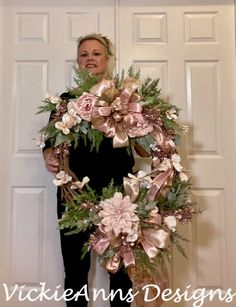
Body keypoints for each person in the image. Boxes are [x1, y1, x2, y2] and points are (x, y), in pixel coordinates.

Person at [43, 33, 134, 307]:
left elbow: (145, 139)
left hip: (117, 196)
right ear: (78, 61)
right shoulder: (64, 101)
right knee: (74, 271)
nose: (90, 58)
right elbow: (51, 142)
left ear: (107, 59)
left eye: (96, 53)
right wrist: (47, 153)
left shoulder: (125, 99)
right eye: (84, 54)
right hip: (73, 197)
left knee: (119, 271)